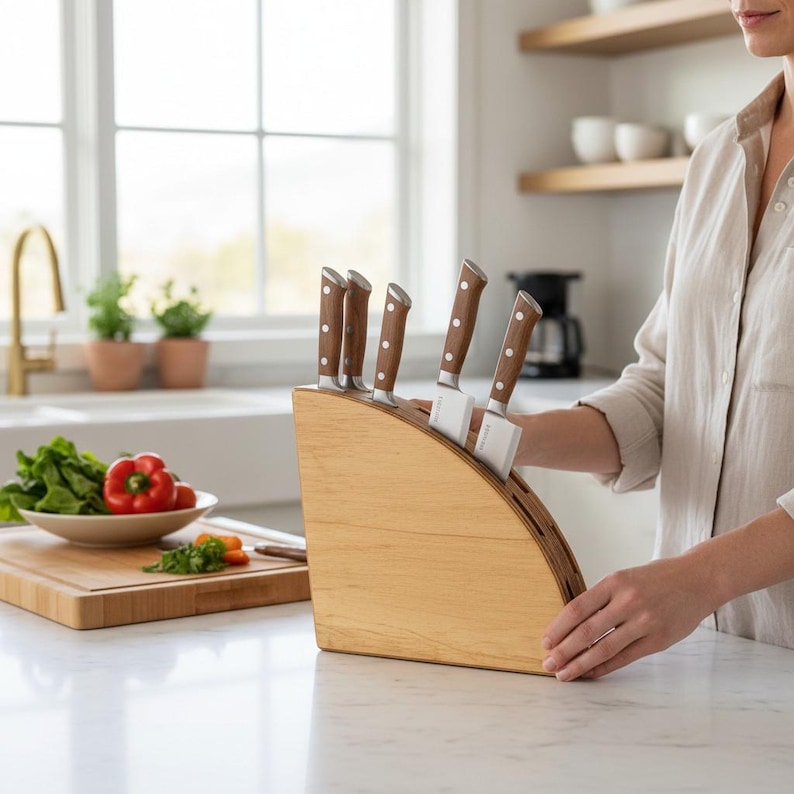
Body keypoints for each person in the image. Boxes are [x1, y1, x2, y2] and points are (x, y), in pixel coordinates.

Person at [473, 2, 794, 682]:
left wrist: (699, 577)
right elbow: (663, 390)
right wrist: (501, 437)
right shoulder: (718, 157)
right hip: (705, 661)